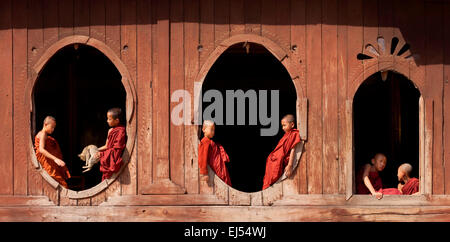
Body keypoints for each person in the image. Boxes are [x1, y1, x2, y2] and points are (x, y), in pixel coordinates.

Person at [262, 114, 301, 190]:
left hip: (279, 161)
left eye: (284, 125)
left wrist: (290, 165)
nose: (283, 128)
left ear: (292, 124)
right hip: (274, 160)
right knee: (268, 178)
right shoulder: (286, 135)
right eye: (282, 126)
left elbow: (293, 150)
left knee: (273, 179)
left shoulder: (294, 134)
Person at [34, 116, 71, 188]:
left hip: (49, 163)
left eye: (54, 127)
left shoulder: (42, 134)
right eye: (52, 127)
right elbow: (41, 149)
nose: (53, 129)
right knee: (63, 185)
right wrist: (55, 159)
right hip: (47, 164)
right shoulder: (43, 134)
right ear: (45, 124)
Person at [95, 108, 127, 181]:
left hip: (112, 161)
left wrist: (102, 154)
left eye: (109, 119)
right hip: (107, 157)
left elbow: (116, 151)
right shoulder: (110, 131)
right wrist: (95, 150)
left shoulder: (121, 131)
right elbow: (106, 146)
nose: (107, 121)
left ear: (117, 120)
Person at [198, 120, 232, 186]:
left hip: (220, 167)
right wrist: (204, 172)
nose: (213, 132)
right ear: (204, 129)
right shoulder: (205, 142)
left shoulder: (211, 142)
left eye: (214, 130)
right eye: (211, 130)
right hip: (216, 169)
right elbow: (202, 156)